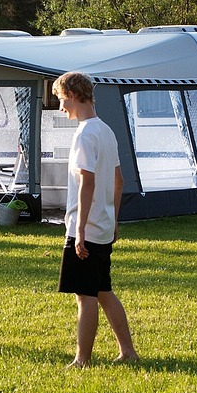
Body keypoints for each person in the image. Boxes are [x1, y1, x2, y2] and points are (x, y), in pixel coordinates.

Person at [52, 71, 138, 368]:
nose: (61, 107)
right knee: (103, 290)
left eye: (61, 100)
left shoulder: (85, 134)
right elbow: (119, 180)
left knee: (85, 295)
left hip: (86, 229)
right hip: (102, 226)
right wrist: (113, 221)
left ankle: (82, 359)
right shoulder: (106, 131)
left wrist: (78, 230)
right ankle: (127, 351)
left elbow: (87, 183)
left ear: (73, 96)